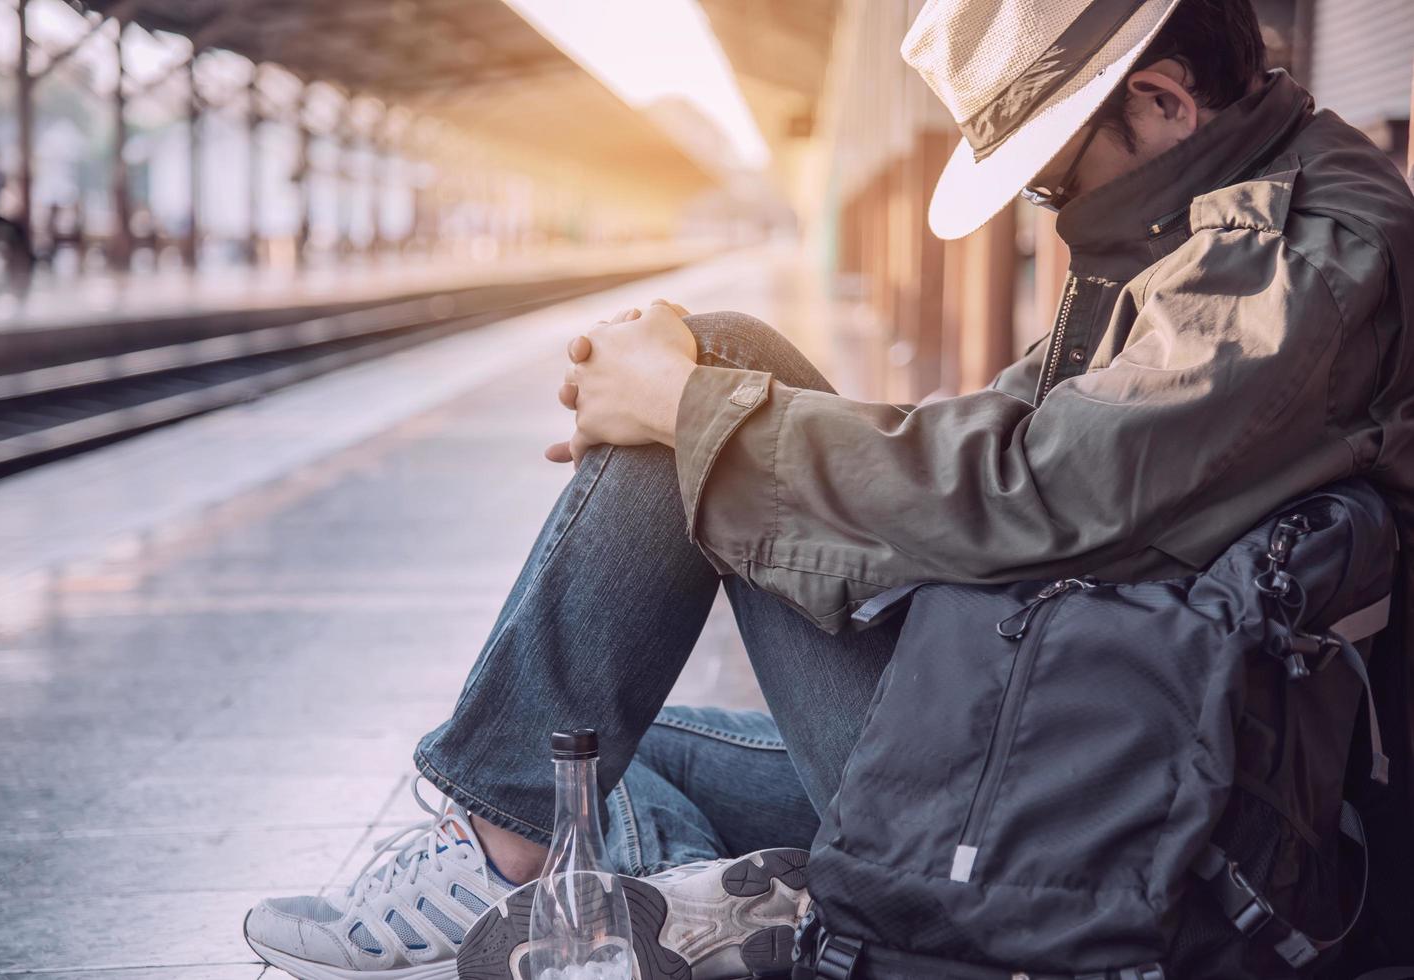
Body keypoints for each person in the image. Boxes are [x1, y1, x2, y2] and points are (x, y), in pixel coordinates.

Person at [244, 0, 1414, 977]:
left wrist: (686, 414)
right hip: (1052, 713)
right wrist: (694, 415)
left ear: (1158, 101)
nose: (1050, 214)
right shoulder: (1196, 210)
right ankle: (673, 872)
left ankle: (522, 853)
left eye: (1052, 178)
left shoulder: (1293, 254)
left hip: (1122, 802)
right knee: (597, 743)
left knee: (710, 384)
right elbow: (1009, 435)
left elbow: (1045, 489)